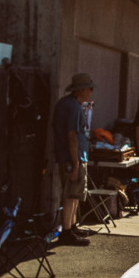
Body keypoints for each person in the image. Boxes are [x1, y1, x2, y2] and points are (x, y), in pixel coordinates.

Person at [52, 72, 94, 246]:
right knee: (71, 194)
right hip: (73, 158)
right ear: (82, 90)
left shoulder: (66, 104)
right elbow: (72, 136)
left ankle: (72, 225)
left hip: (70, 156)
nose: (91, 92)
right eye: (90, 89)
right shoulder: (74, 107)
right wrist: (76, 162)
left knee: (75, 193)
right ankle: (67, 230)